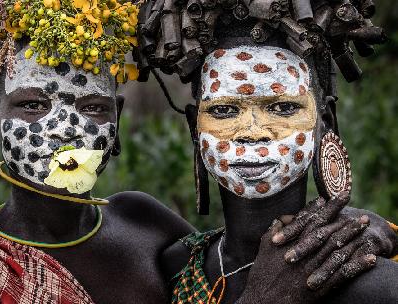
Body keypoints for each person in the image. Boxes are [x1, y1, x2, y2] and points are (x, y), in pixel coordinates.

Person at [0, 0, 396, 303]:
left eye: (92, 107)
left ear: (117, 124)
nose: (65, 130)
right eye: (32, 105)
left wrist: (371, 228)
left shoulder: (147, 228)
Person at [135, 0, 398, 303]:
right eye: (224, 110)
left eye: (283, 107)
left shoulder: (375, 287)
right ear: (196, 128)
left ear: (323, 122)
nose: (252, 132)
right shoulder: (174, 268)